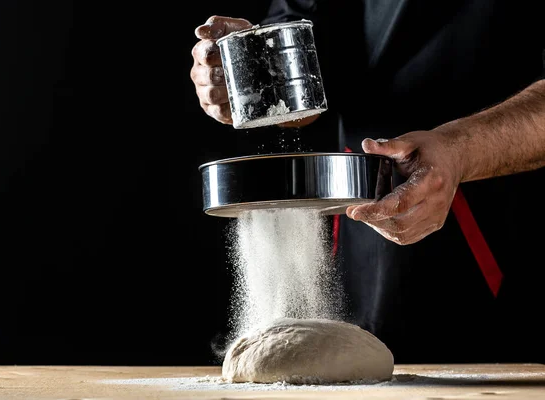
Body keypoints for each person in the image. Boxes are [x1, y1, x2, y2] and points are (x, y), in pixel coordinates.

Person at [190, 1, 545, 364]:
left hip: (503, 244)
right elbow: (309, 37)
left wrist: (460, 151)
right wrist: (257, 71)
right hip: (367, 237)